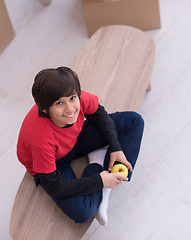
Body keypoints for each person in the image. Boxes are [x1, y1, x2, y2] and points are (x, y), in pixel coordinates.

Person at [17, 66, 144, 225]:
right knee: (83, 212)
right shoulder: (41, 141)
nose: (70, 109)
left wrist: (116, 147)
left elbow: (100, 115)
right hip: (54, 164)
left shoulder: (77, 97)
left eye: (72, 98)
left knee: (134, 121)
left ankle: (107, 186)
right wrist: (98, 181)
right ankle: (99, 169)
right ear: (45, 110)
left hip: (74, 139)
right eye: (59, 103)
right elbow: (55, 186)